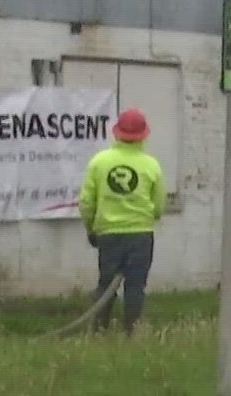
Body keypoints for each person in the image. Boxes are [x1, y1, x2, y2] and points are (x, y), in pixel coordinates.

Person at [78, 107, 166, 334]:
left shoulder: (99, 162)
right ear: (144, 135)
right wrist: (145, 217)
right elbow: (159, 206)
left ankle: (99, 330)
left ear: (116, 133)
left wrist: (91, 228)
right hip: (141, 234)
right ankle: (132, 331)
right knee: (135, 286)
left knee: (106, 284)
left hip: (108, 234)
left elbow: (86, 202)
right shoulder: (151, 165)